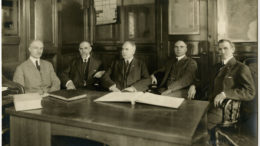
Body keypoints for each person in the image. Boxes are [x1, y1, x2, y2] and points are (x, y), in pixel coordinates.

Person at [207, 39, 255, 129]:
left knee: (200, 125)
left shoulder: (241, 68)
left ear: (232, 49)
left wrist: (225, 94)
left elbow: (250, 92)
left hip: (225, 109)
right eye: (220, 49)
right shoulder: (216, 67)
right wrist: (193, 85)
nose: (222, 51)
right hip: (209, 104)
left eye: (225, 48)